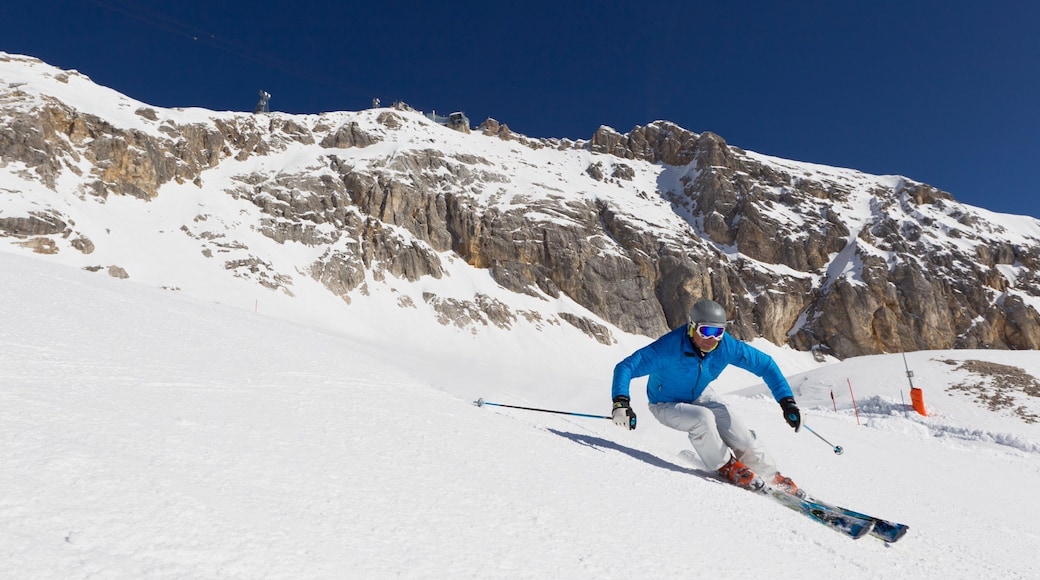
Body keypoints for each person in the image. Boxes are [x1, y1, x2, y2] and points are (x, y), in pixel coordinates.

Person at [610, 298, 803, 495]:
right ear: (692, 327)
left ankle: (770, 476)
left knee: (741, 437)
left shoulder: (725, 346)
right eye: (707, 331)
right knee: (703, 419)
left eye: (718, 332)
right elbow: (626, 367)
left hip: (700, 395)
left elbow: (766, 365)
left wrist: (787, 402)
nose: (712, 339)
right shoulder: (669, 348)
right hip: (664, 402)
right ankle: (726, 466)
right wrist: (620, 402)